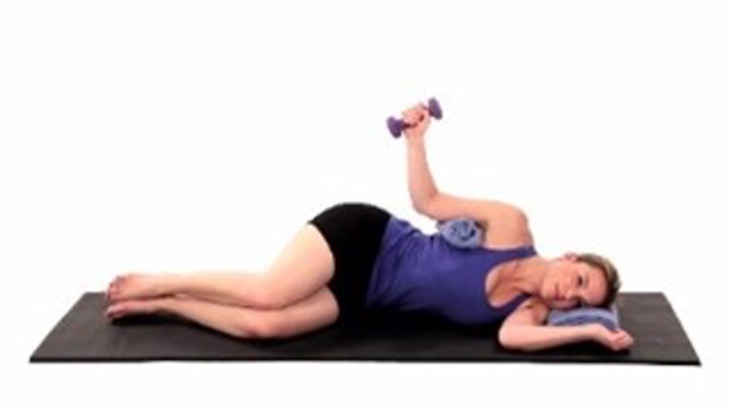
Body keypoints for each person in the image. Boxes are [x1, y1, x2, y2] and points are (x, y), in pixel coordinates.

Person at [105, 103, 635, 352]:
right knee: (268, 294)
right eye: (582, 279)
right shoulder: (510, 224)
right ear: (571, 258)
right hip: (368, 239)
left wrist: (591, 328)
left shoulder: (532, 312)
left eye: (579, 301)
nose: (571, 294)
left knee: (262, 328)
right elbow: (428, 201)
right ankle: (161, 279)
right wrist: (417, 144)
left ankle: (167, 304)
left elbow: (511, 338)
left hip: (365, 298)